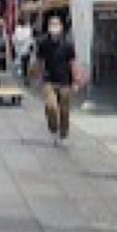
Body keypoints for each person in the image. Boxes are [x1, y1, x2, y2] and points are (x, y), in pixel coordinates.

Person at [36, 16, 81, 145]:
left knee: (64, 110)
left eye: (56, 24)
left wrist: (76, 81)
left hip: (65, 80)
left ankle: (63, 133)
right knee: (51, 107)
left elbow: (73, 63)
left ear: (61, 26)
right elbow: (40, 61)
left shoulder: (68, 44)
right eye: (51, 24)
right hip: (49, 80)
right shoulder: (43, 43)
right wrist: (39, 77)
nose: (54, 27)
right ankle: (53, 128)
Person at [13, 16, 35, 84]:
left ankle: (26, 78)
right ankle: (26, 78)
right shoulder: (21, 29)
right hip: (23, 51)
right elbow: (16, 40)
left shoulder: (27, 29)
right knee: (24, 65)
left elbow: (14, 40)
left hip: (25, 51)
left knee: (25, 65)